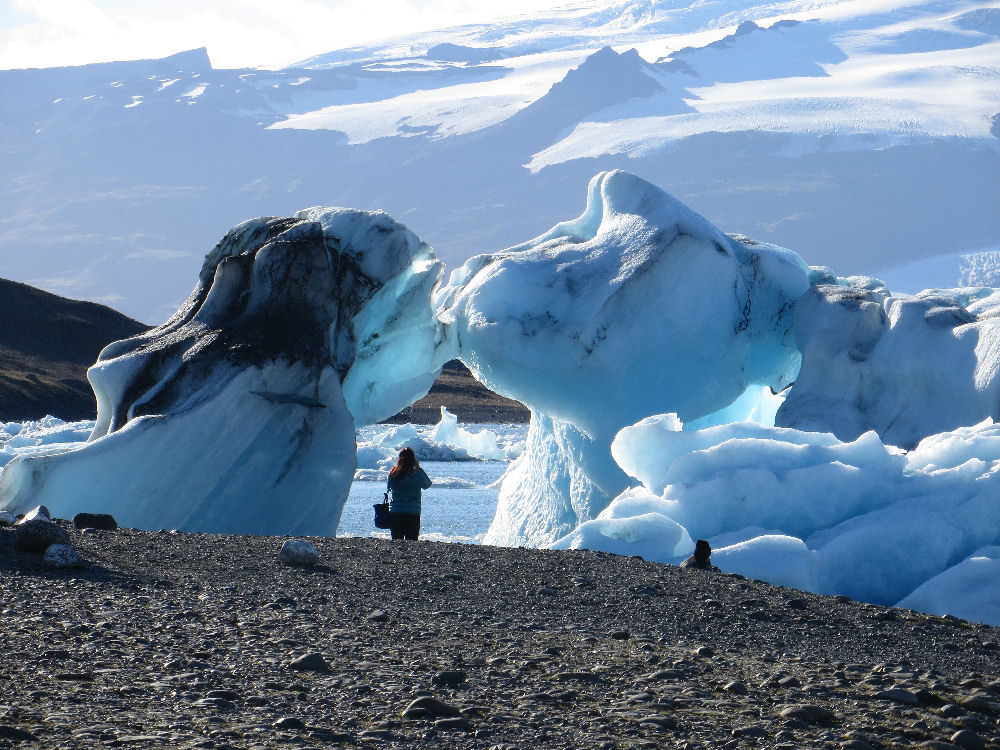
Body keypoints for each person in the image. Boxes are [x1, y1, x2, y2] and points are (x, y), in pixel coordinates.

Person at [385, 447, 432, 541]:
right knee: (412, 542)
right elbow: (427, 484)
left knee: (397, 542)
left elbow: (388, 487)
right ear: (413, 460)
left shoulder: (393, 473)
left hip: (396, 511)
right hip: (412, 512)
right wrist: (418, 468)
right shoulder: (417, 473)